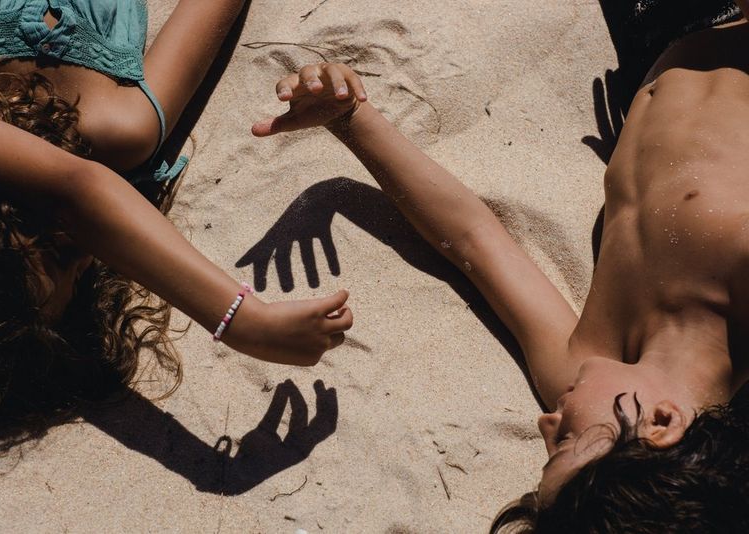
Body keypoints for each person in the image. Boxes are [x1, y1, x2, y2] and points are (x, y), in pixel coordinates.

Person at [251, 4, 749, 531]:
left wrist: (351, 119)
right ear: (663, 422)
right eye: (568, 442)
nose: (546, 423)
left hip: (659, 39)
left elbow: (473, 239)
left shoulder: (578, 367)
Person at [0, 0, 353, 432]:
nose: (89, 239)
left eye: (47, 236)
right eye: (79, 262)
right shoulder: (122, 126)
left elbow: (78, 192)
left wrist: (241, 320)